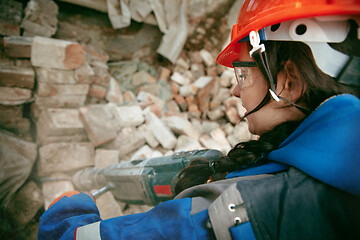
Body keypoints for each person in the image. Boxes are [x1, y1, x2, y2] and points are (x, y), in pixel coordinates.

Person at [37, 0, 360, 239]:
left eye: (242, 75)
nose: (235, 90)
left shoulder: (244, 208)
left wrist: (68, 210)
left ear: (288, 83)